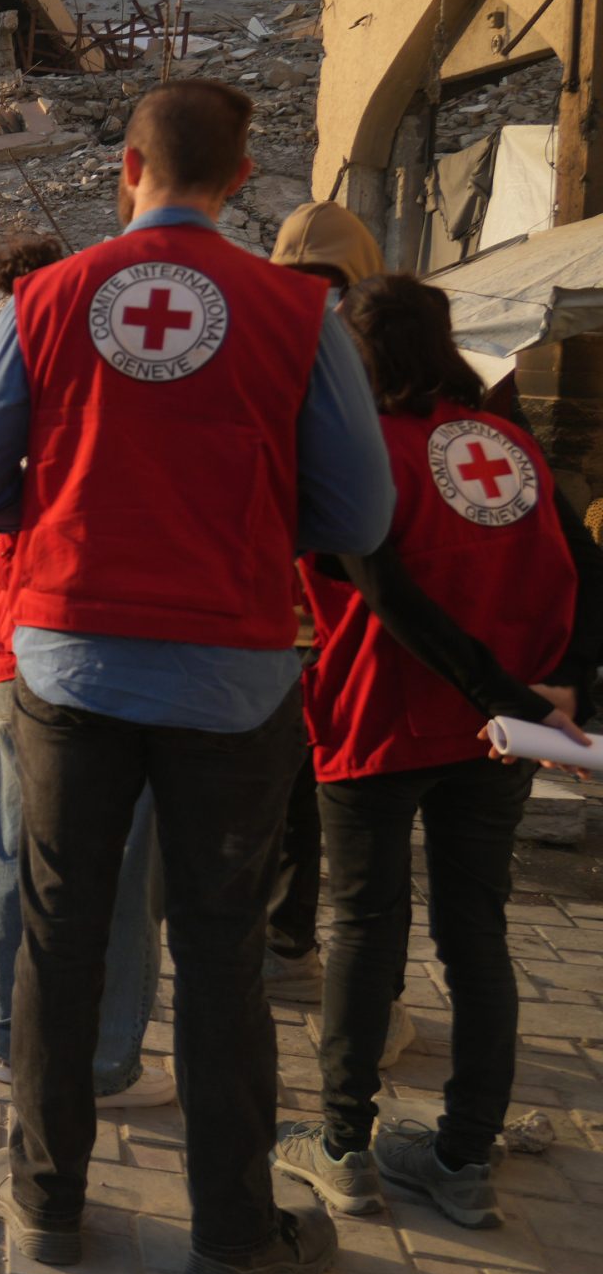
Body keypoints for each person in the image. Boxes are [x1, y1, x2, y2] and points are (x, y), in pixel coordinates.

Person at [0, 78, 394, 1274]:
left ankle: (45, 1201)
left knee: (58, 938)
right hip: (233, 682)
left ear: (124, 168)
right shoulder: (299, 314)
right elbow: (360, 512)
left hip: (67, 664)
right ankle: (233, 1233)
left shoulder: (42, 300)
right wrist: (242, 525)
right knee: (222, 955)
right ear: (243, 180)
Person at [271, 275, 601, 1231]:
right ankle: (462, 1157)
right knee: (478, 936)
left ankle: (344, 1146)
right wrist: (562, 683)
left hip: (386, 717)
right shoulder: (513, 444)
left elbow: (387, 594)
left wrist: (495, 690)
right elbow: (592, 571)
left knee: (365, 930)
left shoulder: (365, 450)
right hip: (502, 736)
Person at [0, 235, 177, 1112]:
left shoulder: (31, 344)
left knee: (19, 850)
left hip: (24, 636)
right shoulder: (163, 348)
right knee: (126, 865)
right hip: (125, 641)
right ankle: (102, 1062)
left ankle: (6, 1038)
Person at [258, 200, 390, 1009]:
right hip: (286, 619)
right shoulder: (284, 353)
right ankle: (288, 944)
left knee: (331, 801)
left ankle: (328, 962)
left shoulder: (385, 365)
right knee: (292, 798)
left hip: (345, 621)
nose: (320, 302)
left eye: (330, 285)